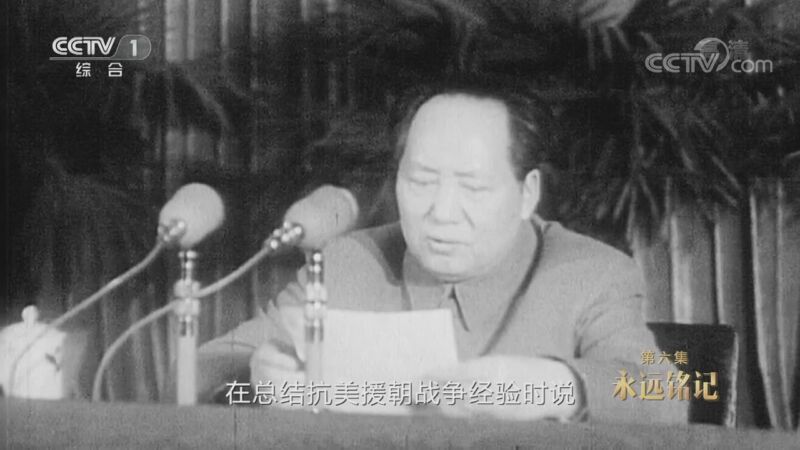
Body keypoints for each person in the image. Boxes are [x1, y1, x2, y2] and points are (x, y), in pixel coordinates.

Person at [198, 79, 687, 424]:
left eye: (473, 187)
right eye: (421, 181)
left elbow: (665, 393)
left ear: (528, 193)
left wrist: (555, 388)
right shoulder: (349, 264)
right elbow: (204, 368)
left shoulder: (591, 273)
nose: (442, 212)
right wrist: (255, 380)